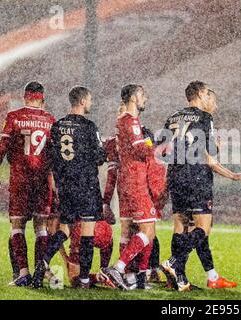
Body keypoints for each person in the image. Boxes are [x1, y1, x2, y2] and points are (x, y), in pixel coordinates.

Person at [160, 81, 241, 291]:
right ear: (201, 94)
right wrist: (231, 172)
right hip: (196, 178)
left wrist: (167, 183)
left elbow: (164, 151)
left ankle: (182, 278)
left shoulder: (172, 118)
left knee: (181, 225)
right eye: (211, 97)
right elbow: (210, 155)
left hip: (176, 176)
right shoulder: (204, 118)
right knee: (203, 228)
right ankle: (174, 262)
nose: (214, 105)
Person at [32, 86, 106, 288]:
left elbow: (53, 157)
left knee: (64, 229)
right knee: (87, 232)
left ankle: (43, 262)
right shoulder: (89, 126)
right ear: (82, 101)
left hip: (65, 185)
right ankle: (83, 279)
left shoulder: (57, 126)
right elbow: (100, 157)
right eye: (89, 100)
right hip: (86, 185)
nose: (90, 103)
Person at [0, 81, 55, 286]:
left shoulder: (15, 117)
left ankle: (23, 272)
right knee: (41, 227)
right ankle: (39, 273)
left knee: (17, 226)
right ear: (42, 98)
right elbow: (54, 155)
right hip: (42, 180)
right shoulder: (50, 120)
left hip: (21, 179)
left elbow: (2, 147)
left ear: (25, 96)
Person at [101, 84, 158, 290]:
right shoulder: (131, 121)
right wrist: (153, 142)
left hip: (125, 181)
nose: (145, 98)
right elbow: (142, 150)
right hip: (135, 181)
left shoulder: (121, 121)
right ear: (134, 97)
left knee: (128, 230)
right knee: (148, 229)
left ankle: (132, 277)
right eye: (142, 94)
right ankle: (119, 268)